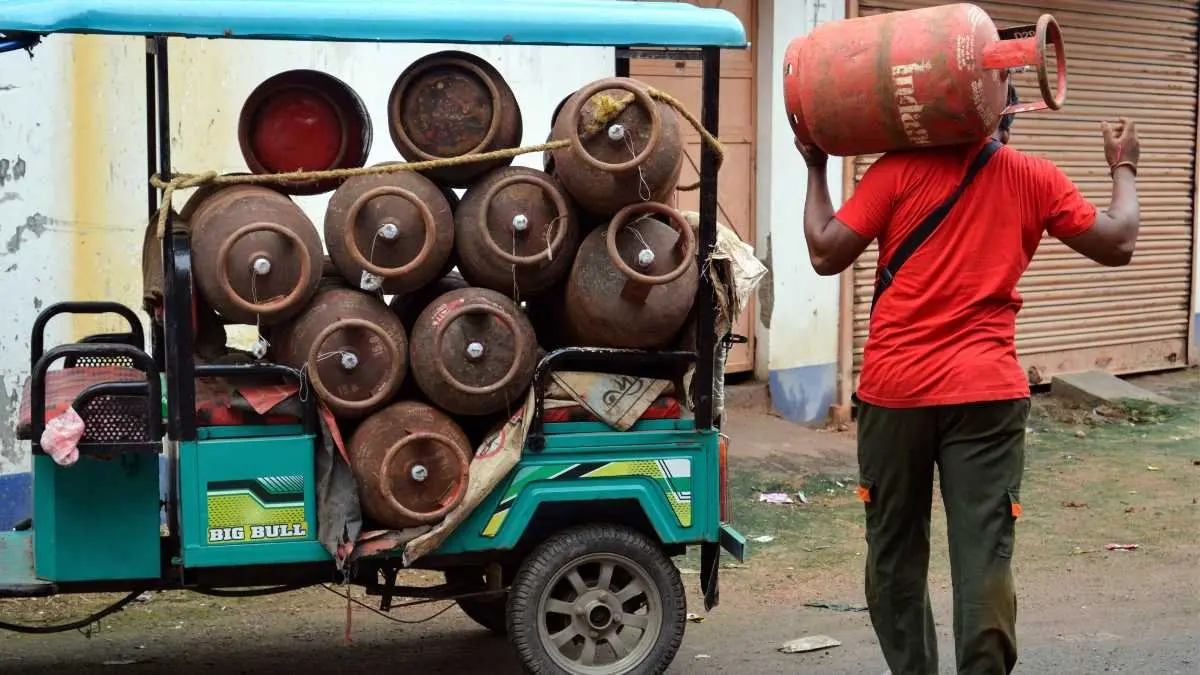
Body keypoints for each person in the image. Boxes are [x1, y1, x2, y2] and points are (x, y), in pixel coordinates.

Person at [794, 81, 1141, 675]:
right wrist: (1124, 167)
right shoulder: (1035, 178)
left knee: (894, 555)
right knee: (984, 556)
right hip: (987, 395)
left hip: (895, 393)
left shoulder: (894, 172)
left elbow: (826, 253)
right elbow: (1119, 242)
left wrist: (817, 168)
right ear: (1003, 113)